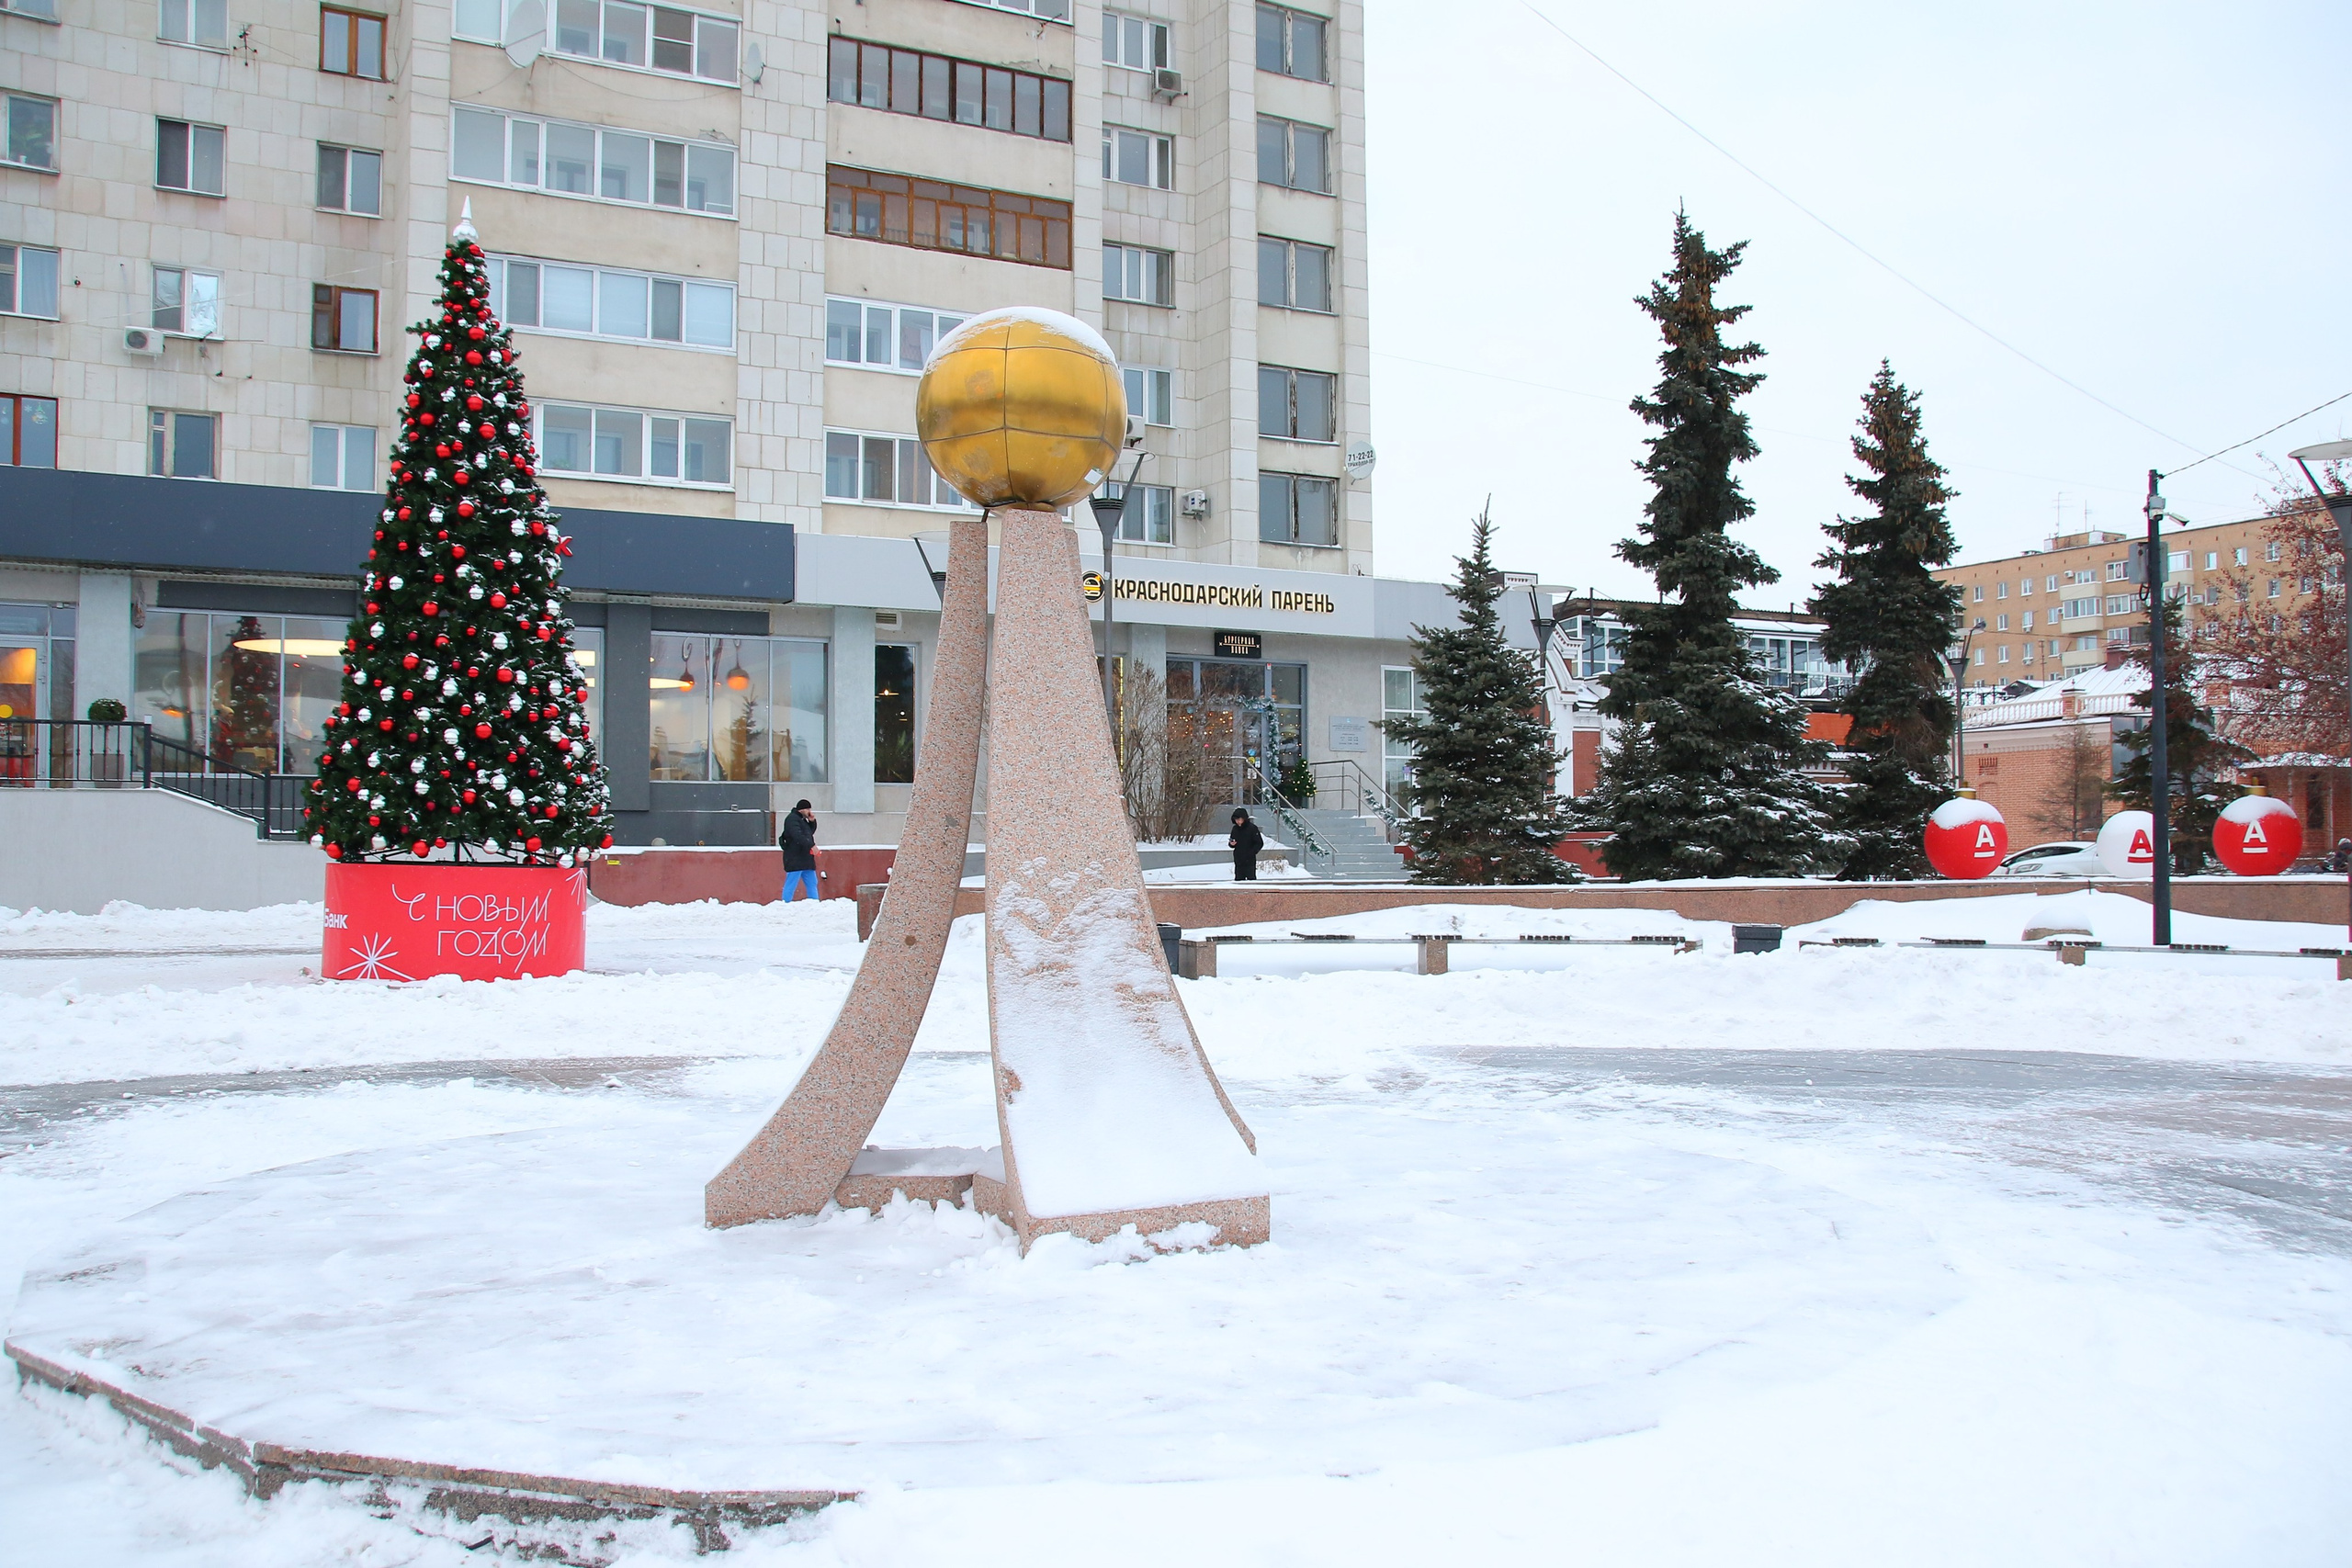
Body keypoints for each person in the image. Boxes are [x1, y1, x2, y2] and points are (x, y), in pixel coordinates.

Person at [780, 798, 820, 902]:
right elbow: (798, 835)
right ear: (801, 809)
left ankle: (814, 904)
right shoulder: (792, 819)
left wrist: (812, 822)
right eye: (807, 809)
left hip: (805, 857)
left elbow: (808, 833)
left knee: (812, 883)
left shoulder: (802, 820)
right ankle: (785, 904)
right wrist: (811, 845)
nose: (809, 811)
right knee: (791, 883)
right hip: (795, 858)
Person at [1227, 807, 1263, 882]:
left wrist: (1252, 852)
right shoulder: (1235, 829)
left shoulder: (1252, 828)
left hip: (1249, 860)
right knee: (1238, 880)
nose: (1238, 822)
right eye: (1236, 820)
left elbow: (1259, 843)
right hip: (1238, 859)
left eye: (1239, 819)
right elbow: (1232, 841)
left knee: (1251, 880)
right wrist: (1232, 844)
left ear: (1244, 818)